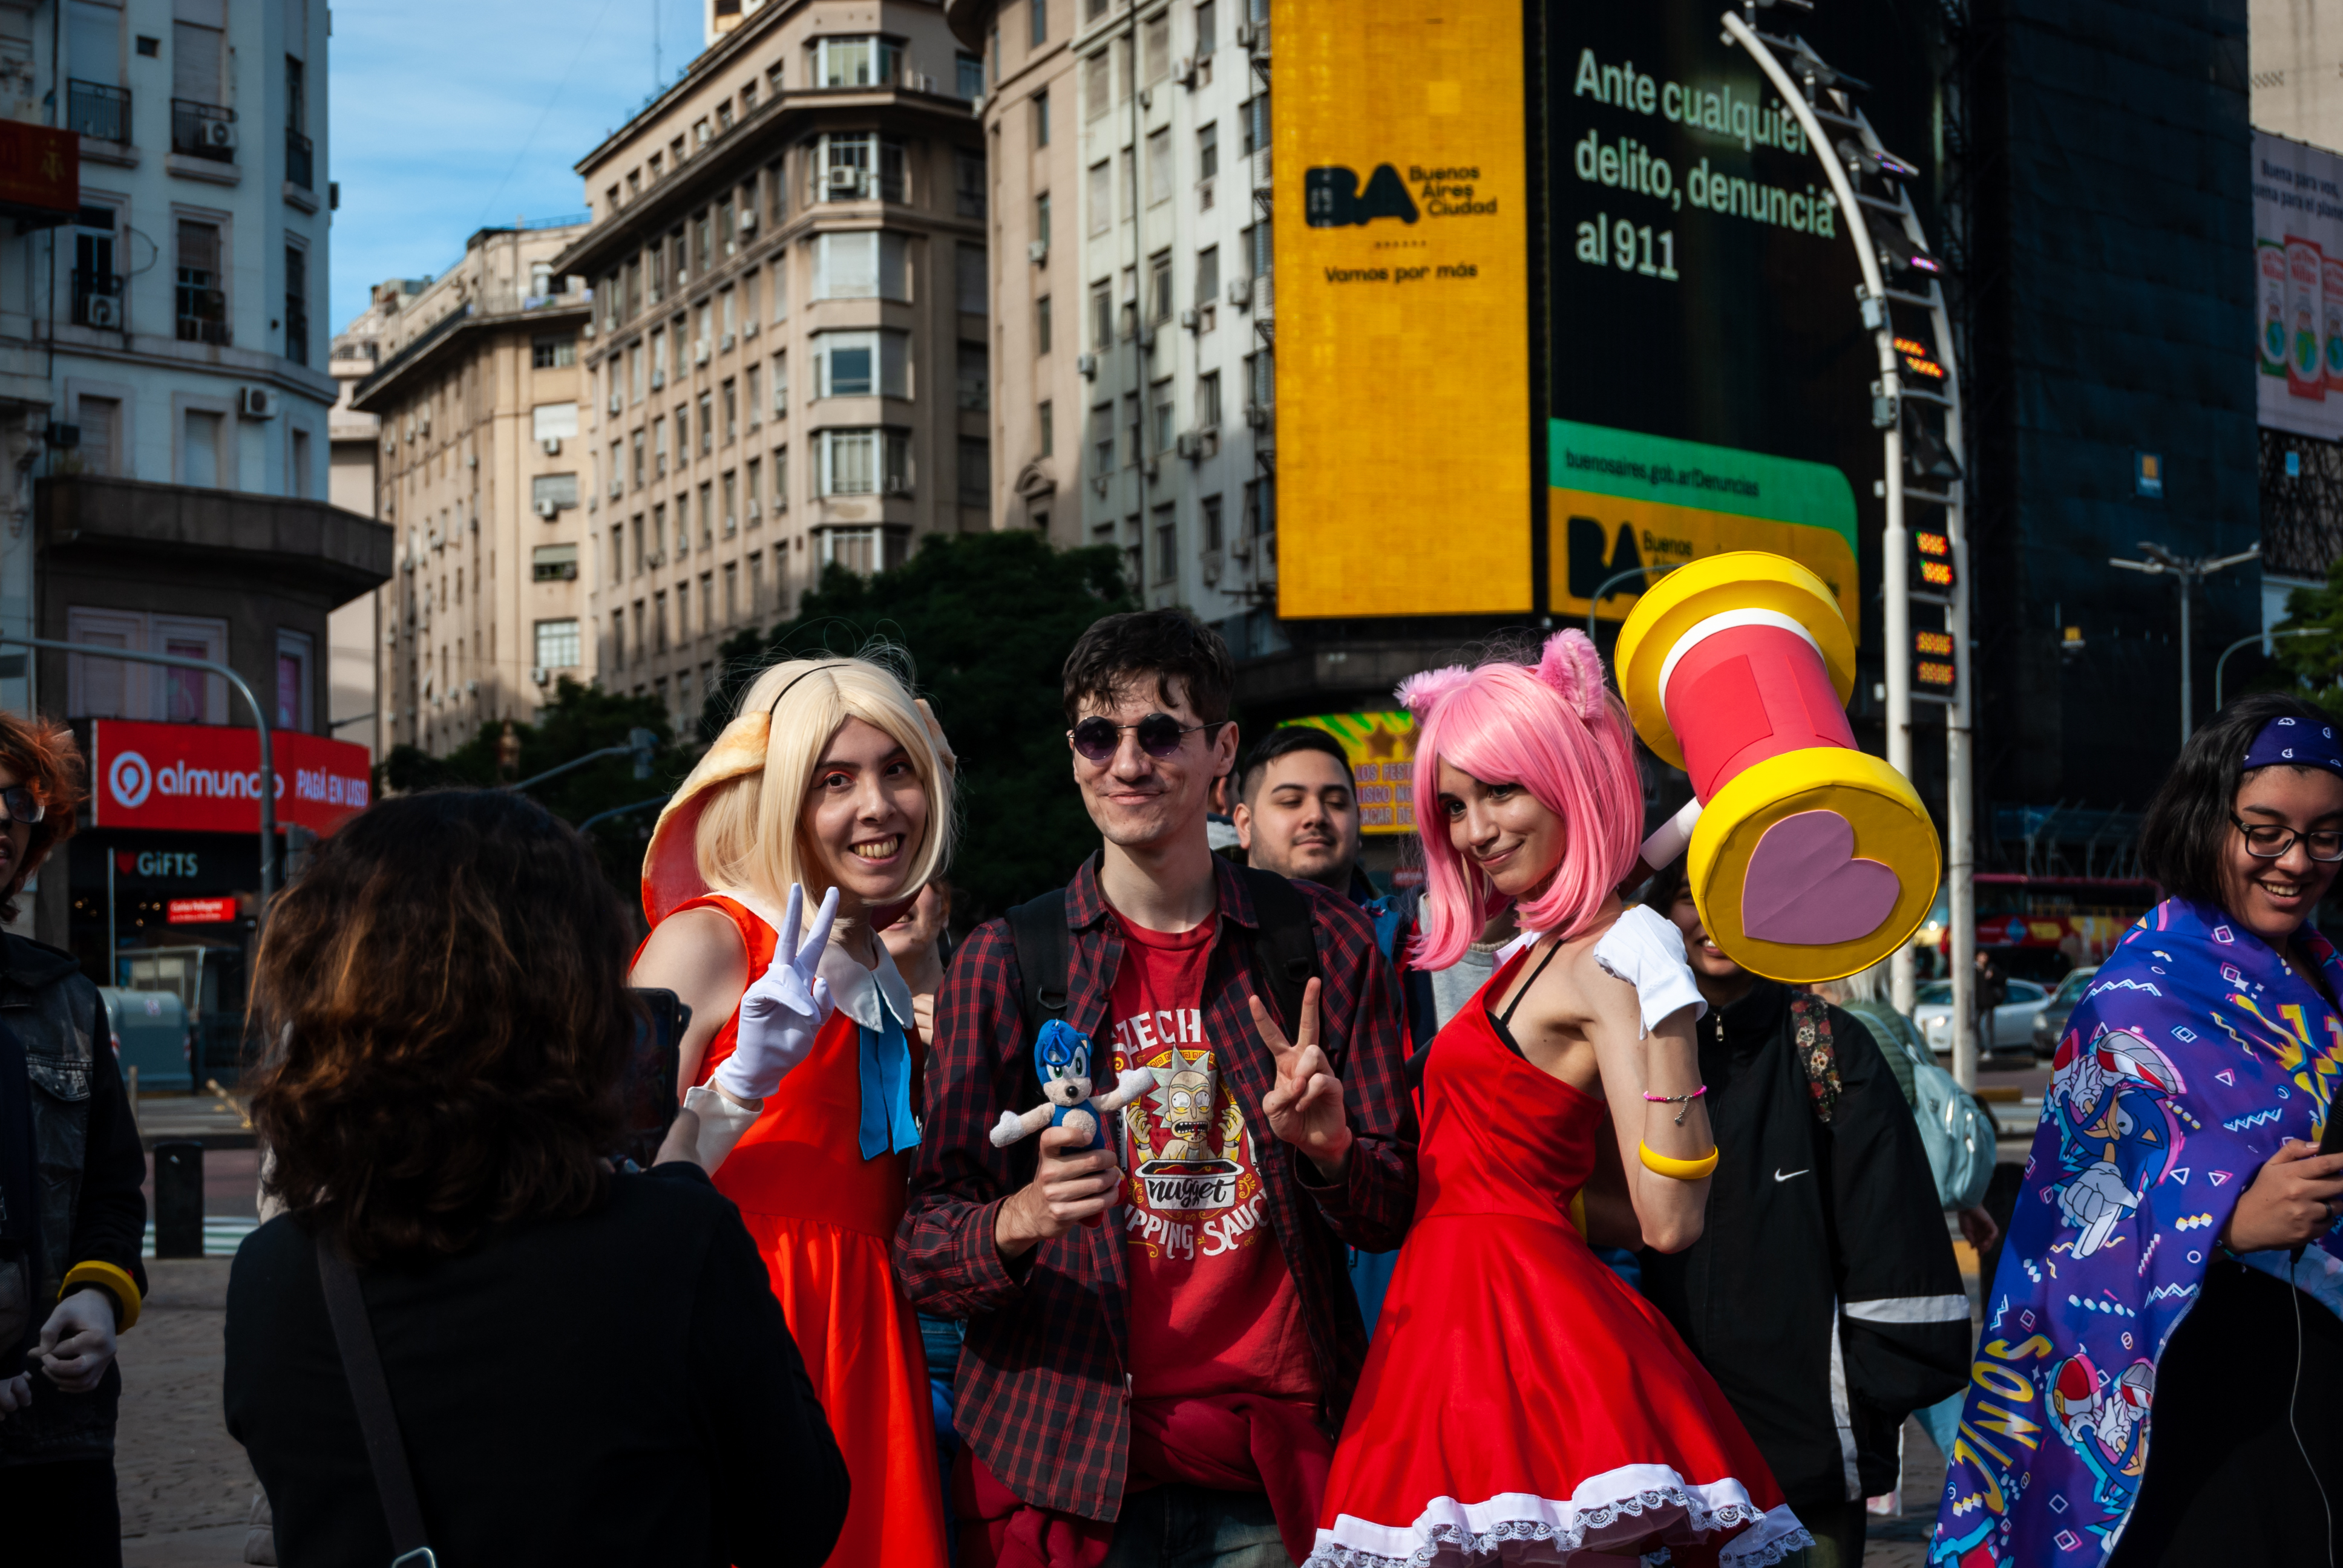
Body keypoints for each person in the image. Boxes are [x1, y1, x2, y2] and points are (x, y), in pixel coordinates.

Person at [897, 608, 1415, 1568]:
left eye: (1160, 733)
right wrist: (1022, 1215)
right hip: (1066, 1459)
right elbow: (927, 1243)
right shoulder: (1008, 959)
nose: (1127, 762)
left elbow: (1390, 1212)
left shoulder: (1327, 946)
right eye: (1101, 735)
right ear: (1074, 754)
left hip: (1271, 1465)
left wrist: (1331, 1153)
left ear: (1221, 751)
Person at [224, 789, 848, 1567]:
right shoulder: (672, 1249)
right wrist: (698, 1153)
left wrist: (721, 1110)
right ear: (575, 998)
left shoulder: (276, 1273)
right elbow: (796, 1517)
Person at [1308, 631, 1807, 1568]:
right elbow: (1541, 1172)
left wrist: (1666, 1009)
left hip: (1523, 1332)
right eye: (1454, 805)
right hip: (1453, 1316)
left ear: (1570, 780)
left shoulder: (1618, 958)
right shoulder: (1544, 953)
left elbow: (1668, 1219)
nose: (1474, 831)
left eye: (1502, 792)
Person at [1932, 694, 2343, 1566]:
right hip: (2195, 1402)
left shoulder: (2326, 982)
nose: (2296, 862)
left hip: (2322, 1383)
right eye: (2264, 832)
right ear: (2206, 822)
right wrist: (2226, 1224)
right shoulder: (2136, 999)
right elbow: (2067, 1230)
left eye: (2325, 836)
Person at [632, 653, 957, 1568]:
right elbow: (606, 1176)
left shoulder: (880, 963)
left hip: (871, 1344)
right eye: (835, 780)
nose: (878, 805)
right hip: (742, 1330)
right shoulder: (707, 938)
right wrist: (734, 1092)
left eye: (898, 769)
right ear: (780, 797)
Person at [1642, 858, 1969, 1568]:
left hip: (1806, 1465)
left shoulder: (1827, 1045)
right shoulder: (1630, 1051)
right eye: (1689, 897)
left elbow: (1894, 1237)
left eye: (1732, 894)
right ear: (1660, 916)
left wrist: (1856, 1412)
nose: (1711, 917)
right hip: (1659, 1459)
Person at [0, 717, 145, 1568]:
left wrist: (97, 1298)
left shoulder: (65, 999)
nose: (2, 818)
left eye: (19, 802)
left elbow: (112, 1191)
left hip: (58, 1441)